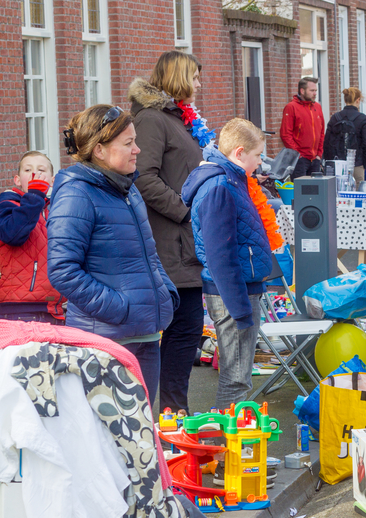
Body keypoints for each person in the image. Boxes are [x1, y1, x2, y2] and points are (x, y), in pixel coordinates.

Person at [48, 104, 178, 395]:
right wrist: (121, 308)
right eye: (128, 143)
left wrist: (165, 294)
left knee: (141, 432)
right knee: (112, 438)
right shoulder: (76, 194)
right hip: (106, 342)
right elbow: (62, 270)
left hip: (144, 336)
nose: (138, 150)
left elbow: (149, 254)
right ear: (99, 150)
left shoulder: (128, 189)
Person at [128, 50, 207, 414]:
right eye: (193, 76)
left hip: (184, 242)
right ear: (176, 77)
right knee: (181, 330)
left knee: (187, 330)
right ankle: (171, 414)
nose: (198, 84)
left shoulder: (177, 118)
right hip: (168, 242)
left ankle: (174, 412)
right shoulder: (153, 120)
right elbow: (142, 176)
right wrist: (184, 209)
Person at [181, 119, 271, 409]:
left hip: (237, 289)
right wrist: (240, 307)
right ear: (240, 152)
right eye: (257, 155)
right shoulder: (221, 185)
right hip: (234, 292)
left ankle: (231, 447)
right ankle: (227, 449)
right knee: (236, 378)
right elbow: (221, 255)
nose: (260, 163)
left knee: (238, 375)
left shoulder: (229, 180)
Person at [0, 151, 65, 323]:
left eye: (41, 170)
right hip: (20, 309)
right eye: (28, 170)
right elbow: (12, 234)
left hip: (54, 309)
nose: (34, 174)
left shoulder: (55, 211)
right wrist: (34, 196)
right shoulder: (7, 205)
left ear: (52, 181)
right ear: (17, 180)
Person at [324, 87, 366, 184]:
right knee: (357, 194)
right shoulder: (363, 119)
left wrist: (328, 161)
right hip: (356, 163)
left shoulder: (335, 118)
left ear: (345, 100)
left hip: (337, 164)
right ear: (358, 100)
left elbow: (326, 142)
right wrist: (365, 164)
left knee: (337, 194)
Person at [281, 77, 326, 178]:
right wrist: (298, 155)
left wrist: (319, 154)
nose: (315, 93)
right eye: (312, 90)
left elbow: (321, 132)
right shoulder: (291, 107)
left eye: (316, 90)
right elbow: (285, 134)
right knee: (300, 192)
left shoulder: (317, 107)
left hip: (315, 159)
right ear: (302, 90)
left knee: (315, 191)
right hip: (299, 160)